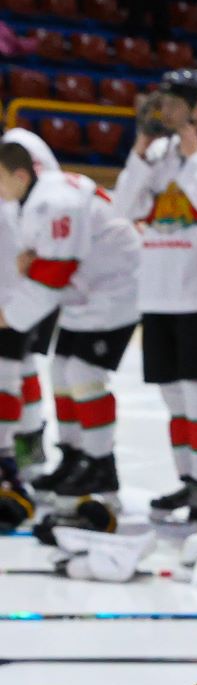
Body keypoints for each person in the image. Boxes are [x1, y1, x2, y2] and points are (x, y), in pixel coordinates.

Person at [111, 68, 197, 526]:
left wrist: (193, 155)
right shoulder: (158, 152)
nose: (160, 108)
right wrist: (142, 151)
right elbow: (123, 210)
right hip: (158, 293)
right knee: (172, 399)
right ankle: (188, 480)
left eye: (172, 101)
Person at [0, 141, 141, 532]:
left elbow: (55, 271)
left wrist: (9, 316)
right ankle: (74, 456)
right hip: (87, 294)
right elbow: (40, 260)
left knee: (83, 374)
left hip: (115, 290)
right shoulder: (35, 198)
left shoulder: (53, 201)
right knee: (61, 372)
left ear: (19, 174)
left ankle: (100, 465)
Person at [0, 127, 56, 481]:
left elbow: (56, 196)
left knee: (9, 371)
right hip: (13, 285)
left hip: (26, 287)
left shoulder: (24, 144)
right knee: (23, 369)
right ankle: (29, 457)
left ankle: (11, 455)